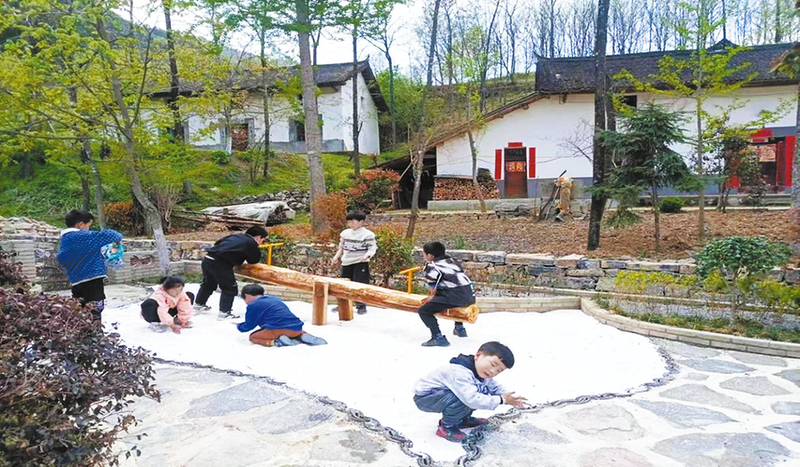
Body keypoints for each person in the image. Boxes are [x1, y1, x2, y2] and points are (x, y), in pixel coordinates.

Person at [413, 341, 527, 442]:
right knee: (467, 397)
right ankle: (446, 427)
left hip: (442, 395)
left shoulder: (480, 372)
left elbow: (494, 387)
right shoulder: (458, 372)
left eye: (499, 371)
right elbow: (471, 399)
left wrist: (510, 396)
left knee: (480, 391)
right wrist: (502, 400)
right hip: (426, 398)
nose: (493, 371)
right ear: (478, 355)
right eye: (493, 364)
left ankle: (461, 419)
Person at [56, 209, 123, 322]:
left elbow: (60, 258)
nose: (89, 228)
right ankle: (96, 331)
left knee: (80, 309)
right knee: (95, 309)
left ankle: (83, 330)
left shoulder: (65, 240)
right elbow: (115, 235)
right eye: (88, 225)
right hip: (93, 279)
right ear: (81, 224)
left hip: (75, 281)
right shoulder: (88, 237)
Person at [194, 225, 267, 320]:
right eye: (263, 240)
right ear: (258, 237)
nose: (261, 243)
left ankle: (199, 304)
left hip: (208, 258)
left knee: (208, 284)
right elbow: (253, 260)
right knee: (229, 287)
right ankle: (224, 312)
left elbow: (218, 243)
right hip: (221, 263)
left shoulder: (236, 236)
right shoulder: (251, 243)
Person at [417, 241, 474, 347]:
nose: (423, 257)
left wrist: (432, 297)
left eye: (424, 254)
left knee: (424, 311)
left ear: (430, 255)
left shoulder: (432, 265)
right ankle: (459, 328)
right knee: (448, 298)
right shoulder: (452, 261)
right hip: (470, 296)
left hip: (455, 297)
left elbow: (433, 283)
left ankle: (437, 337)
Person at [237, 284, 327, 347]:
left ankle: (277, 342)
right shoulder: (275, 299)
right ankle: (302, 335)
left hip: (277, 329)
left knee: (253, 337)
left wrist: (239, 326)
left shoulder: (253, 305)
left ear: (246, 295)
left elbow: (249, 325)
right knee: (291, 330)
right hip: (297, 327)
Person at [330, 211, 377, 314]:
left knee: (360, 284)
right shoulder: (345, 233)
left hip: (360, 262)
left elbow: (372, 248)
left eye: (353, 221)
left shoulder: (368, 235)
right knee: (344, 284)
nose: (350, 224)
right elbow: (341, 248)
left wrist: (367, 255)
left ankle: (361, 306)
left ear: (361, 222)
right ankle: (342, 304)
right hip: (346, 262)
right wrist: (336, 257)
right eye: (349, 222)